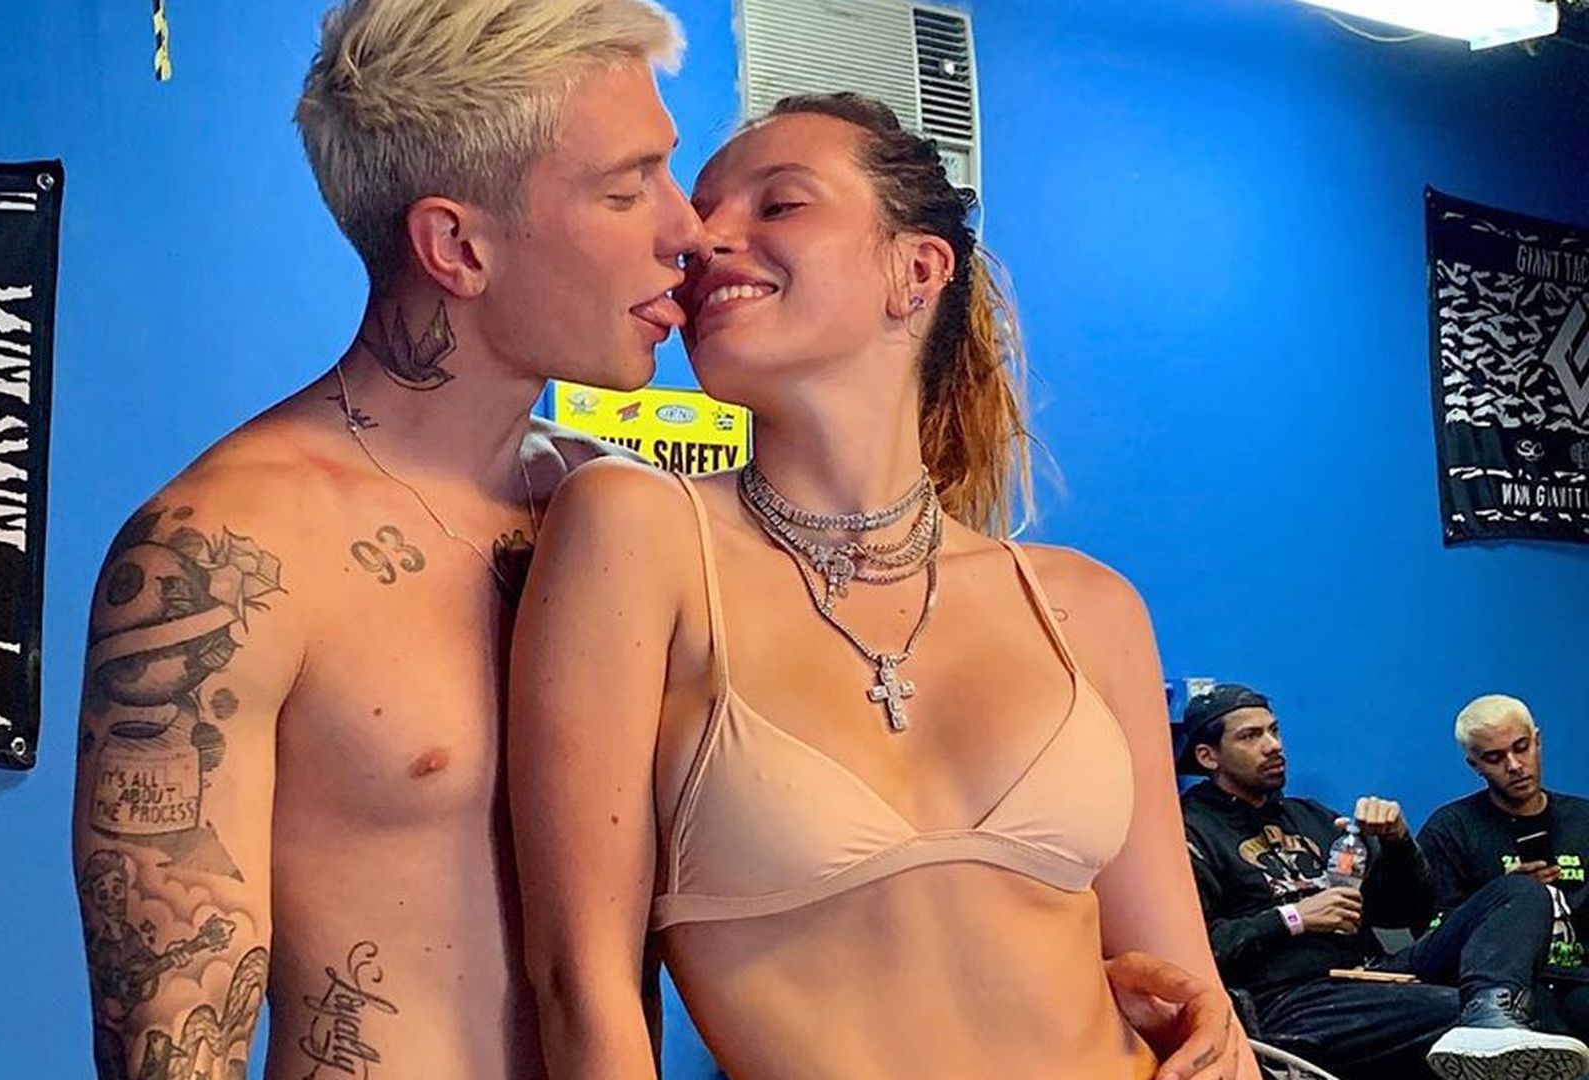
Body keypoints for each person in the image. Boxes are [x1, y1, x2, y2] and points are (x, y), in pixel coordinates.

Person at [508, 91, 1255, 1080]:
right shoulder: (637, 531)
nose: (701, 239)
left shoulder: (1085, 606)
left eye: (778, 204)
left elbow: (1196, 1013)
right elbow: (581, 983)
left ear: (917, 270)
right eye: (701, 211)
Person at [69, 2, 700, 1077]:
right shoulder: (223, 551)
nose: (685, 230)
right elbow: (171, 1043)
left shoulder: (626, 518)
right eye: (626, 188)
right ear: (457, 246)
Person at [1178, 682, 1589, 1080]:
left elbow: (1406, 912)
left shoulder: (1311, 817)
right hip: (1294, 998)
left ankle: (1493, 1013)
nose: (1273, 745)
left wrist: (1397, 843)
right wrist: (1294, 918)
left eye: (1274, 730)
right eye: (1251, 736)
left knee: (1521, 892)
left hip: (1372, 972)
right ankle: (1485, 1019)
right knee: (1469, 1012)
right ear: (1208, 756)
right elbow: (1201, 950)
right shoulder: (1190, 832)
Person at [1419, 693, 1589, 1035]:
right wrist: (1505, 895)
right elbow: (1437, 940)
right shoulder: (1450, 830)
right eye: (1495, 758)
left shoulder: (1582, 821)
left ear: (1537, 741)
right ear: (1475, 765)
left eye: (1521, 748)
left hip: (1580, 979)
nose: (1514, 766)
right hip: (1504, 990)